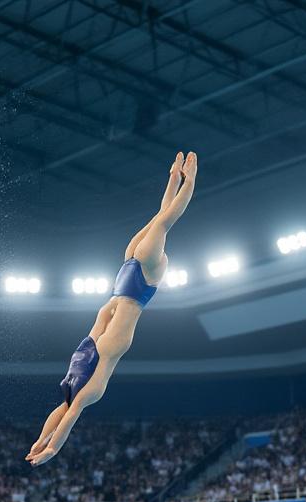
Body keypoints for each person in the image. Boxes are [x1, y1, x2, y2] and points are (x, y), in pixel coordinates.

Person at [27, 152, 197, 466]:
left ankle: (181, 179)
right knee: (161, 220)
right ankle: (179, 179)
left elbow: (70, 417)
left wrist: (50, 447)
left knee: (163, 220)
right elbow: (64, 414)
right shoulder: (77, 382)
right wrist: (42, 443)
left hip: (127, 296)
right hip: (106, 317)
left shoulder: (90, 391)